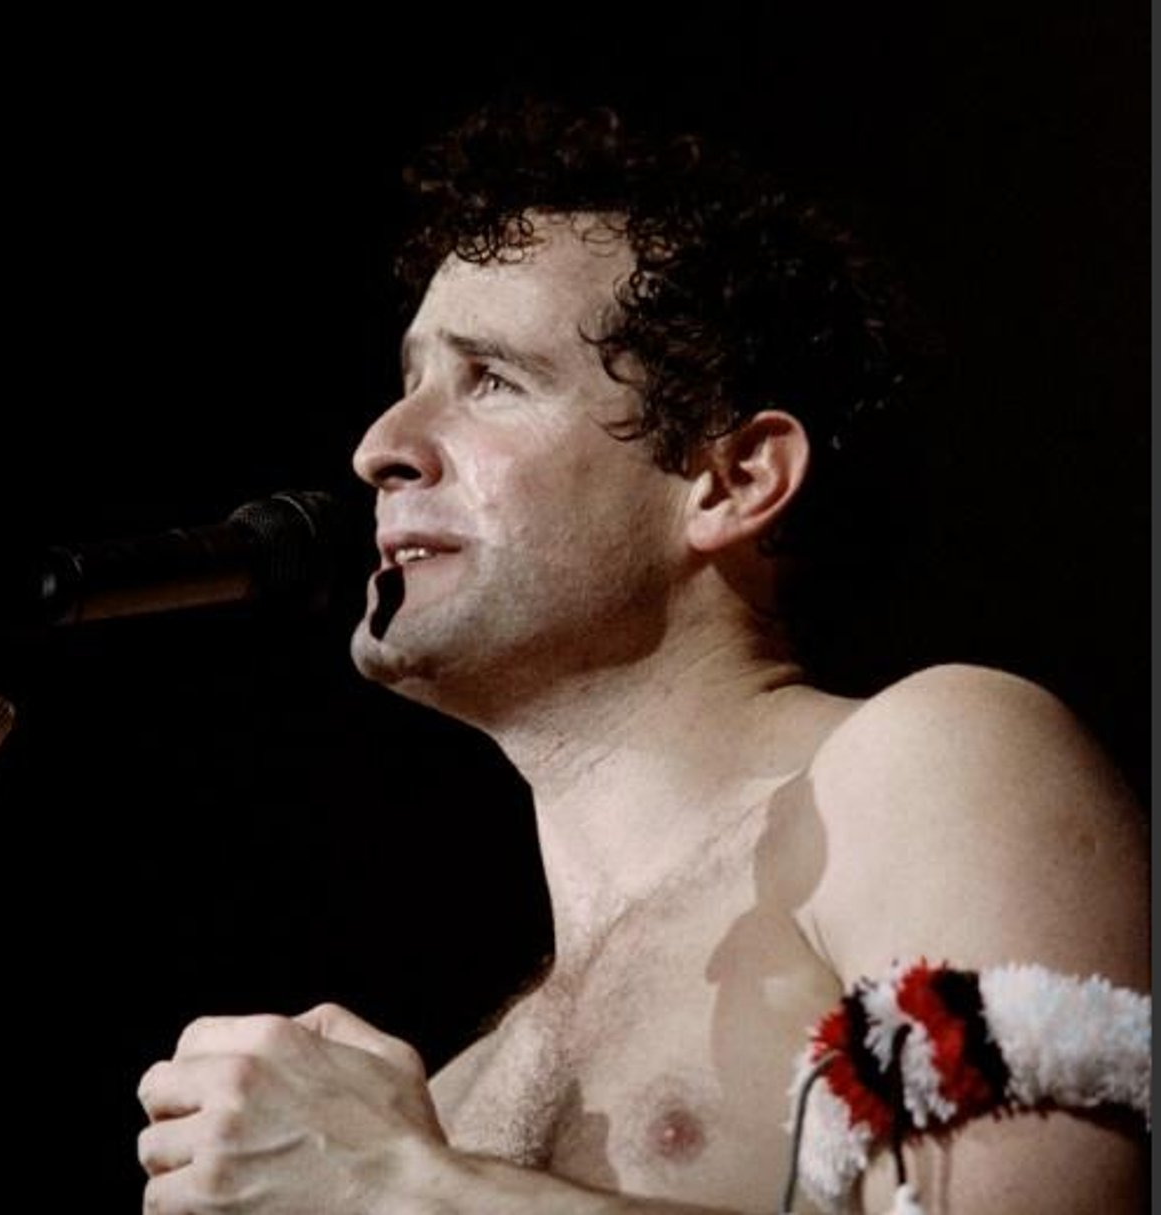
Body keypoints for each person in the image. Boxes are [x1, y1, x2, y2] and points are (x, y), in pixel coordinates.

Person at [135, 100, 1149, 1214]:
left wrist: (405, 1189)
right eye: (410, 376)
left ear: (732, 480)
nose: (381, 446)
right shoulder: (459, 1092)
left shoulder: (940, 758)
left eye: (491, 380)